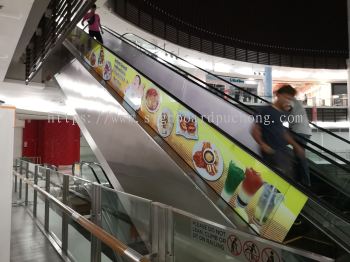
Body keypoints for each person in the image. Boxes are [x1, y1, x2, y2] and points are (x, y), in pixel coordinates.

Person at [251, 85, 304, 177]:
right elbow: (255, 129)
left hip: (283, 152)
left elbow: (283, 132)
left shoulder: (282, 113)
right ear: (278, 95)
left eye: (290, 99)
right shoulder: (265, 111)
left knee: (287, 179)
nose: (288, 101)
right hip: (271, 153)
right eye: (286, 98)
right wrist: (262, 144)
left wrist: (296, 146)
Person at [289, 96, 312, 186]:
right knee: (298, 155)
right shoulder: (297, 102)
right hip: (304, 132)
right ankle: (301, 180)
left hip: (299, 132)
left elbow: (286, 109)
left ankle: (304, 181)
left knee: (300, 156)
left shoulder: (291, 101)